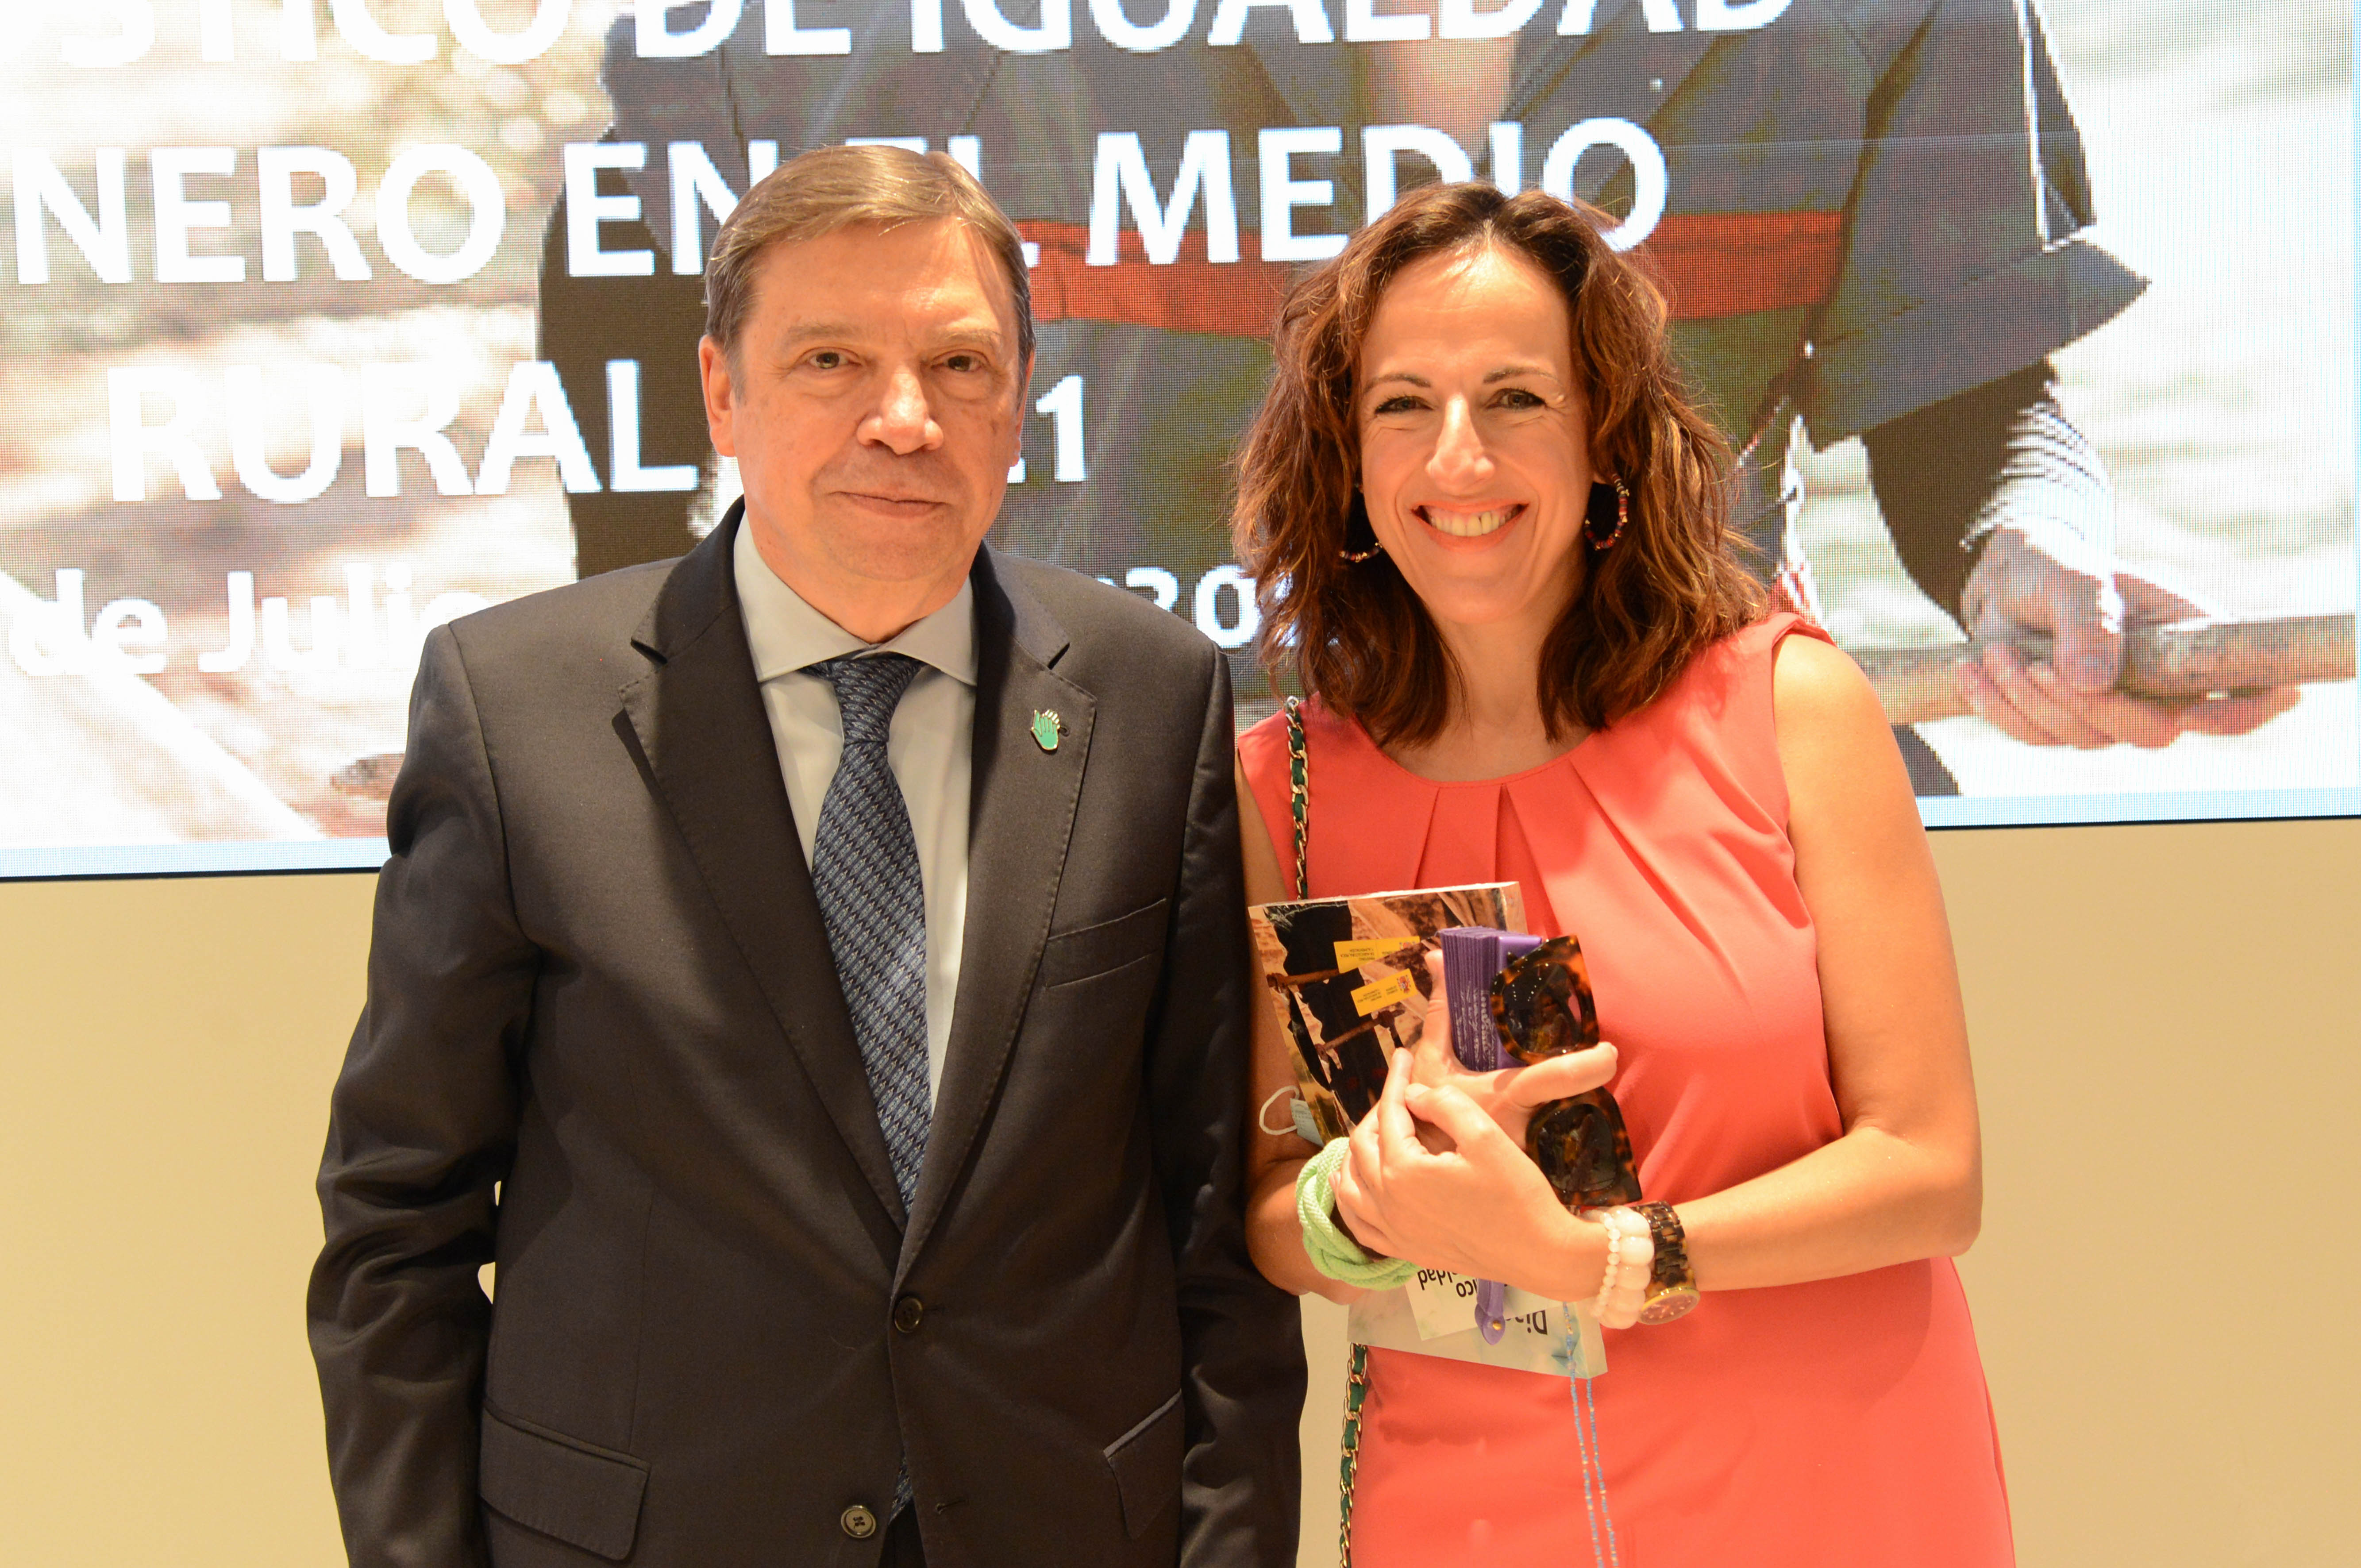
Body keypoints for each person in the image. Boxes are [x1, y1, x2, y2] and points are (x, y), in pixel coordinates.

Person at [309, 145, 1304, 1568]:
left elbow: (1212, 1223)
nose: (904, 419)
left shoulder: (1152, 694)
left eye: (959, 366)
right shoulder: (514, 711)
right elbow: (396, 1230)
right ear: (722, 392)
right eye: (831, 360)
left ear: (1021, 399)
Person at [546, 0, 2293, 792]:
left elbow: (1961, 401)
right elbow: (630, 313)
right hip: (1081, 829)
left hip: (1683, 808)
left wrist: (2021, 555)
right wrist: (639, 707)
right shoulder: (829, 29)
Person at [1231, 181, 2010, 1564]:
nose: (1459, 454)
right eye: (1403, 404)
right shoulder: (1280, 791)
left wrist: (1605, 1260)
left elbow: (1929, 1169)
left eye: (1517, 398)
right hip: (1465, 1514)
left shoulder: (1787, 708)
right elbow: (1273, 1206)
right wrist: (1358, 1201)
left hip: (1827, 1495)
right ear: (1346, 462)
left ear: (1606, 442)